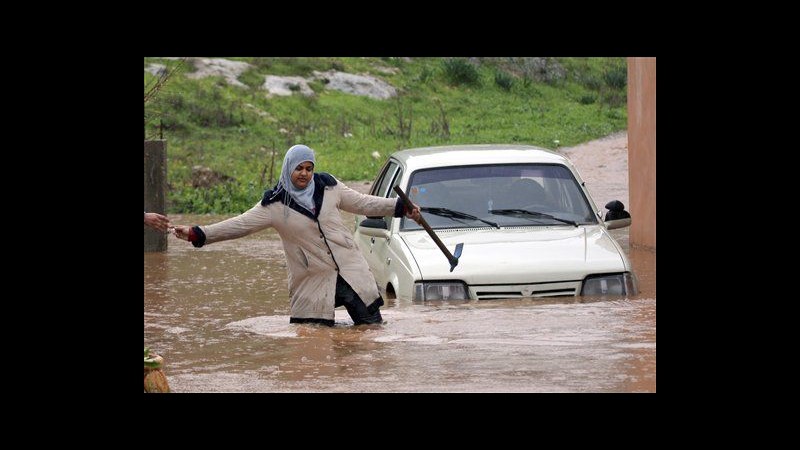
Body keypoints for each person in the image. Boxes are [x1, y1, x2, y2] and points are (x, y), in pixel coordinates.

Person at [173, 144, 421, 327]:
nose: (304, 173)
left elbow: (363, 203)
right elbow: (240, 225)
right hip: (312, 279)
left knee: (371, 333)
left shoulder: (329, 186)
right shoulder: (274, 206)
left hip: (351, 272)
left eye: (309, 168)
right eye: (299, 168)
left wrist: (399, 207)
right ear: (288, 168)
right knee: (312, 346)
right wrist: (199, 233)